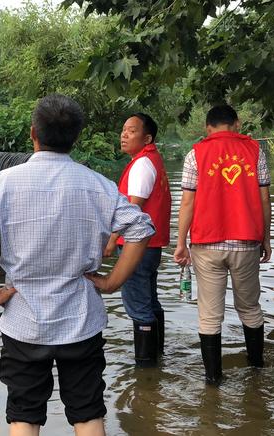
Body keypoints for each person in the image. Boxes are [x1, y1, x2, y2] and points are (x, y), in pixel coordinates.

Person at [0, 94, 154, 436]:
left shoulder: (2, 184)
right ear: (76, 137)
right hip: (81, 320)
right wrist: (112, 282)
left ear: (34, 133)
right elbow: (141, 228)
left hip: (24, 323)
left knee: (24, 416)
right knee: (88, 414)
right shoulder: (98, 185)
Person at [173, 104, 271, 385]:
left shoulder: (196, 154)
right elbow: (265, 199)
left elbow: (188, 201)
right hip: (246, 242)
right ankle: (257, 371)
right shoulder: (255, 152)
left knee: (209, 315)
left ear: (208, 127)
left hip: (207, 243)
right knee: (250, 307)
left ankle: (213, 380)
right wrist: (266, 238)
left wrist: (181, 243)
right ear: (237, 124)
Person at [103, 113, 171, 367]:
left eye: (131, 131)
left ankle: (145, 370)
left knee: (138, 305)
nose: (124, 135)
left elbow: (133, 209)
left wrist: (112, 239)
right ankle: (157, 357)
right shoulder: (151, 159)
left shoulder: (142, 164)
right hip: (150, 245)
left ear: (148, 138)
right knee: (150, 301)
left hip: (137, 246)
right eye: (123, 130)